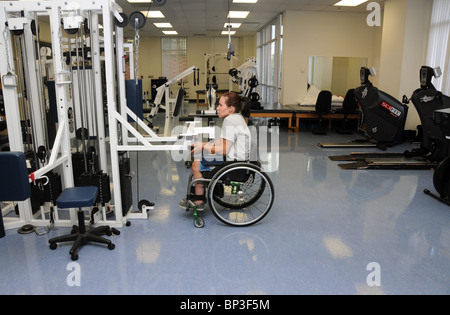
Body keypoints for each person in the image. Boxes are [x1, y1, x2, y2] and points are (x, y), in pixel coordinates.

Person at [179, 92, 252, 211]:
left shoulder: (230, 121)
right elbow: (224, 142)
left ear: (230, 108)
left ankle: (198, 201)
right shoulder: (237, 117)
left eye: (220, 105)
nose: (217, 108)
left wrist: (203, 146)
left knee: (196, 164)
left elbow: (223, 150)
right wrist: (205, 145)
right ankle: (201, 193)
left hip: (234, 165)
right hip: (238, 161)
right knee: (201, 158)